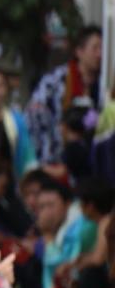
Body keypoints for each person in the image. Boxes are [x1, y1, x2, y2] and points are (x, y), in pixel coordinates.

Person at [27, 25, 103, 175]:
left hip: (94, 164)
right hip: (57, 162)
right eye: (95, 48)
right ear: (79, 51)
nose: (100, 54)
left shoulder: (104, 84)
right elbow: (35, 117)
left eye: (102, 49)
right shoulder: (54, 82)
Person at [34, 179, 88, 288]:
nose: (45, 212)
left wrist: (48, 236)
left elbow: (63, 263)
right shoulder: (60, 227)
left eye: (50, 205)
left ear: (67, 203)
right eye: (41, 207)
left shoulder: (78, 224)